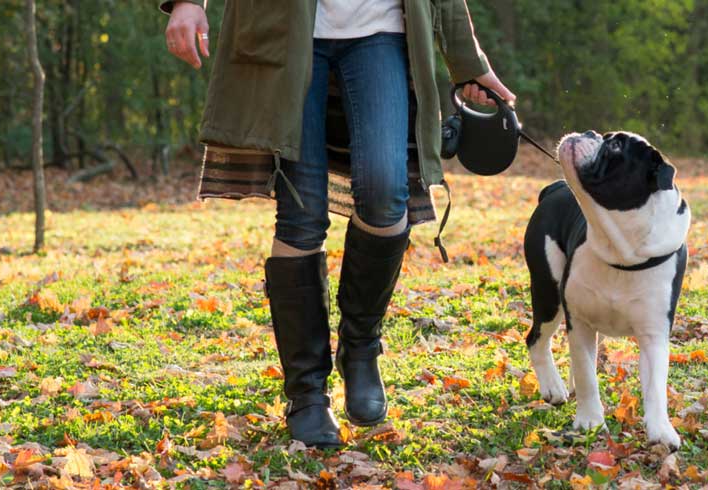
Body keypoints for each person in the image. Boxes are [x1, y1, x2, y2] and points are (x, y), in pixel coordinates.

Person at [159, 0, 515, 448]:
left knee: (387, 194)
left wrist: (467, 63)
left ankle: (360, 346)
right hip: (282, 32)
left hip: (382, 33)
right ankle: (307, 391)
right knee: (300, 213)